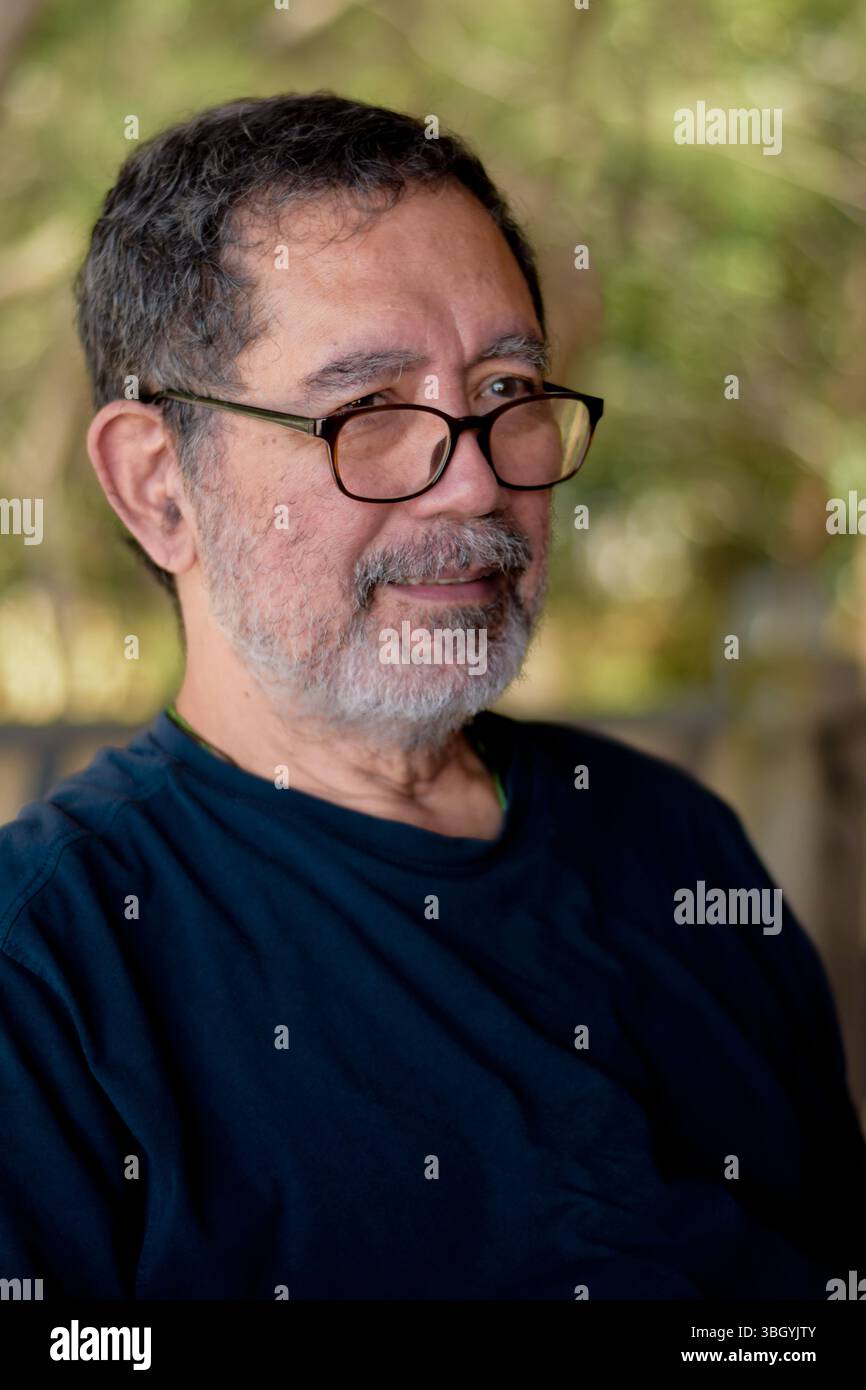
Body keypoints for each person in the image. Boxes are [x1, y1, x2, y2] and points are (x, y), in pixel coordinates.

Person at [0, 92, 863, 1301]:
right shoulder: (45, 971)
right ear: (159, 488)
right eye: (368, 412)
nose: (470, 488)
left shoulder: (676, 844)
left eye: (507, 390)